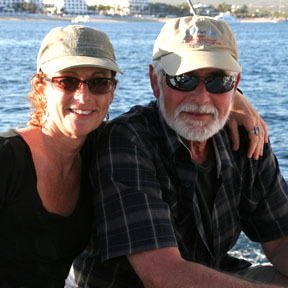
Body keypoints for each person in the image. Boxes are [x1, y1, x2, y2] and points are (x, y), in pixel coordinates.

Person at [67, 16, 288, 287]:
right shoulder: (128, 142)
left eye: (218, 81)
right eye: (183, 80)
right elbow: (163, 275)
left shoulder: (248, 140)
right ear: (155, 81)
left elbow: (280, 241)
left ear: (235, 84)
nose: (201, 98)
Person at [0, 25, 123, 287]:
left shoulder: (98, 149)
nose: (83, 96)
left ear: (112, 91)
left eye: (98, 82)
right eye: (66, 81)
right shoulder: (6, 160)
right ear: (40, 86)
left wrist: (233, 103)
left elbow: (158, 123)